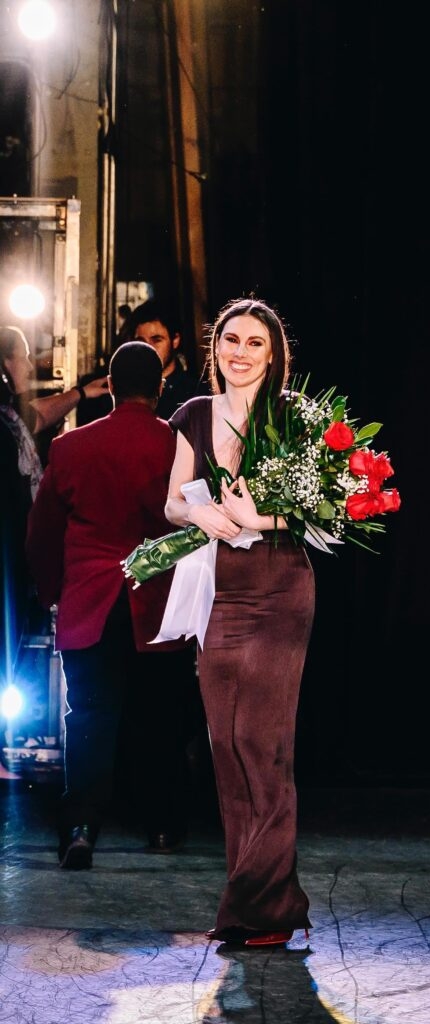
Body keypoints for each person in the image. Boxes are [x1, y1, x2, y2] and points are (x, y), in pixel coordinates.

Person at [165, 297, 315, 947]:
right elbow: (172, 500)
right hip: (219, 593)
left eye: (257, 342)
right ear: (215, 347)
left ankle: (268, 909)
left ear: (274, 354)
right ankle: (246, 901)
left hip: (280, 590)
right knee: (225, 747)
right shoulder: (194, 414)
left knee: (262, 744)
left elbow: (322, 511)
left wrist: (255, 519)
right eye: (232, 339)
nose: (242, 351)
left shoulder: (294, 418)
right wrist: (197, 514)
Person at [26, 342, 198, 869]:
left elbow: (43, 535)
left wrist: (52, 594)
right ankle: (163, 825)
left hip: (91, 601)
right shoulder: (179, 445)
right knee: (160, 717)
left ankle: (80, 825)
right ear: (161, 387)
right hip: (159, 604)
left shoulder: (71, 447)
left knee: (89, 718)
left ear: (111, 385)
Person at [0, 326, 44, 691]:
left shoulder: (10, 416)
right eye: (23, 356)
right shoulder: (4, 425)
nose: (29, 364)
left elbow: (38, 416)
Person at [77, 299, 200, 426]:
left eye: (157, 340)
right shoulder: (113, 391)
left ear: (175, 340)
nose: (148, 347)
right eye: (141, 340)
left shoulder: (195, 393)